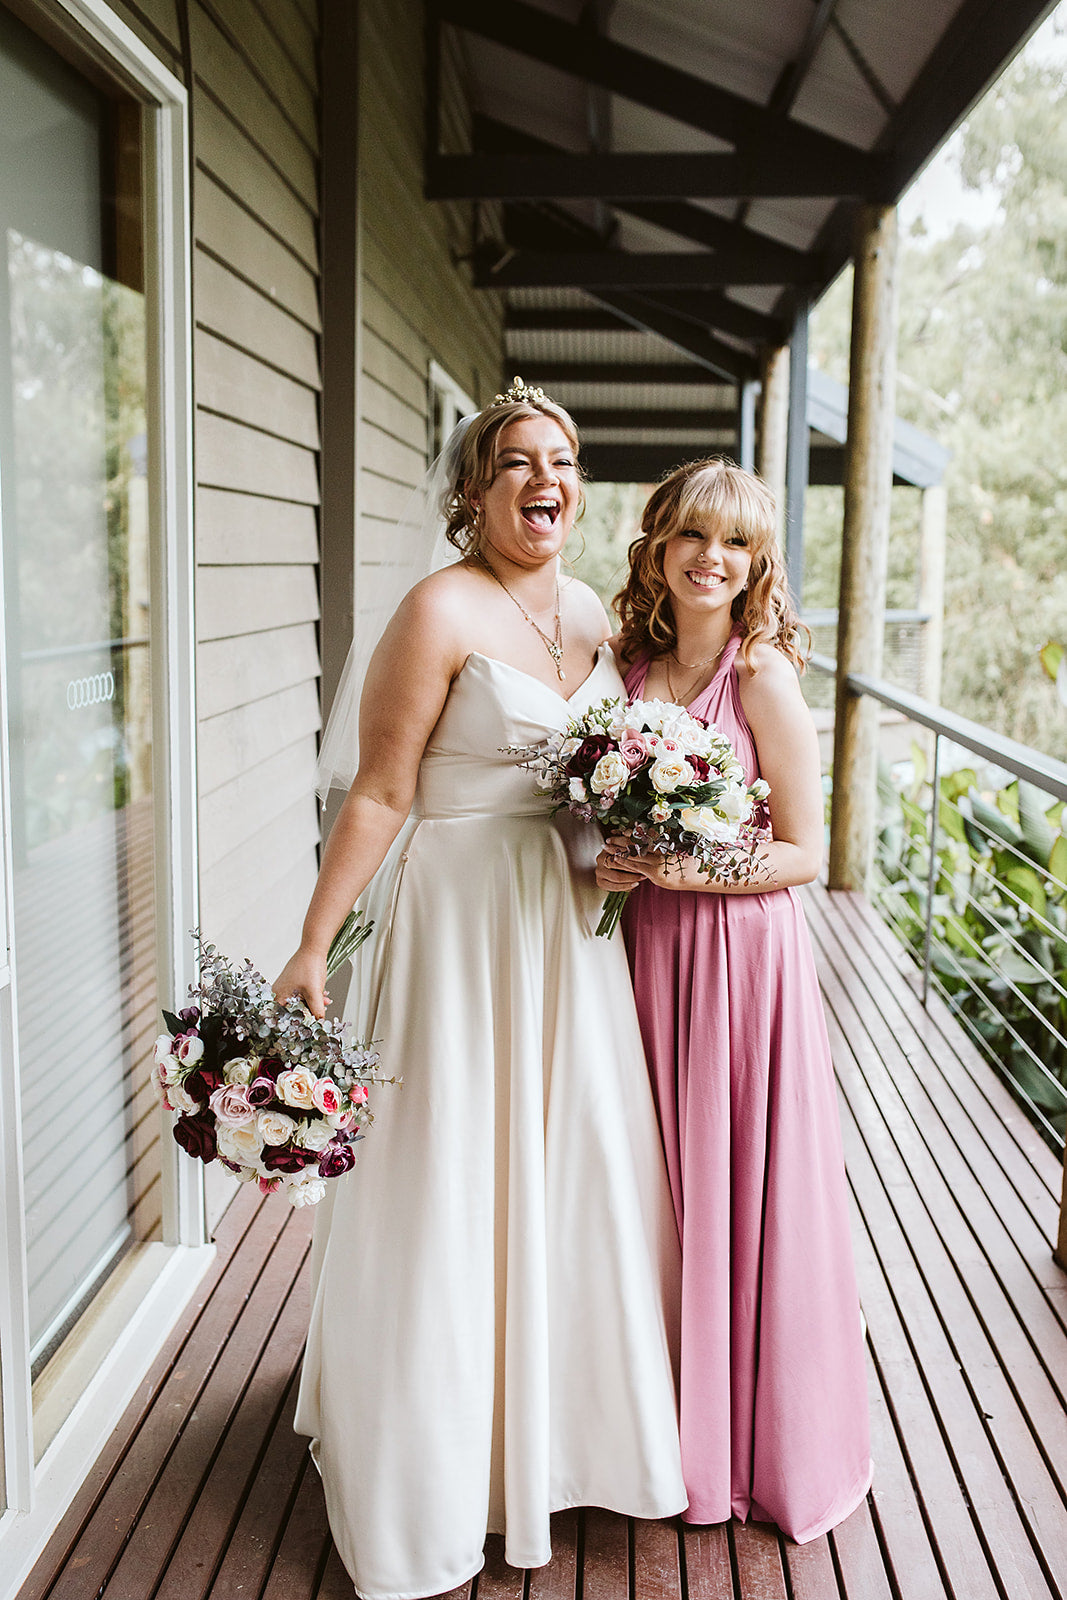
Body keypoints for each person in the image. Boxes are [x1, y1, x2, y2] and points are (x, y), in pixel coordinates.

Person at [275, 380, 686, 1600]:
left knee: (574, 1168)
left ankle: (561, 1439)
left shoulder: (597, 620)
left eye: (560, 458)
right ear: (471, 491)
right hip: (458, 924)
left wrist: (621, 845)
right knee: (451, 1174)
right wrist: (312, 942)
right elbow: (381, 793)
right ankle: (434, 1464)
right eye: (515, 461)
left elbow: (601, 781)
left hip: (567, 927)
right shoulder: (436, 608)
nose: (543, 478)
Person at [595, 458, 872, 1543]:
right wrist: (616, 858)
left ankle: (743, 1448)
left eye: (739, 544)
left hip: (737, 956)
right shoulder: (623, 668)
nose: (714, 559)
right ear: (658, 547)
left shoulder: (760, 676)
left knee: (734, 1184)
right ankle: (645, 1428)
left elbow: (802, 851)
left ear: (757, 564)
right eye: (694, 538)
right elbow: (595, 811)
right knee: (654, 1181)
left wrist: (681, 870)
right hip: (643, 955)